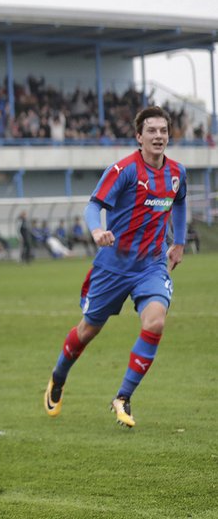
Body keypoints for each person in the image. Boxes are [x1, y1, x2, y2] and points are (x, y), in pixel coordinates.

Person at [44, 106, 187, 429]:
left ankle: (123, 397)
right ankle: (58, 377)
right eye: (151, 130)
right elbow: (94, 205)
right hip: (113, 266)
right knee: (88, 331)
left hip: (151, 266)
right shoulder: (124, 170)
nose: (158, 136)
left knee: (155, 323)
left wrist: (177, 243)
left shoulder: (177, 173)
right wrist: (96, 231)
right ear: (139, 137)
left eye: (163, 130)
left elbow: (179, 202)